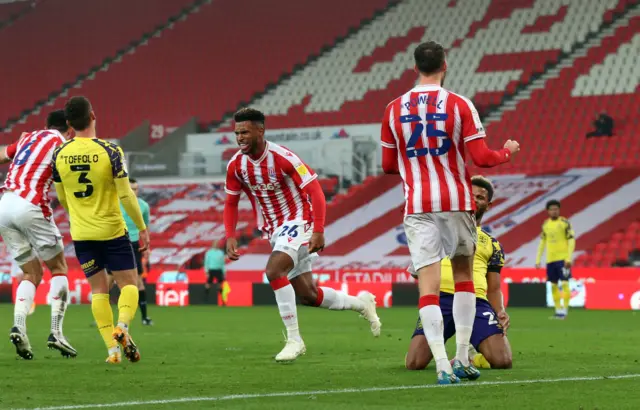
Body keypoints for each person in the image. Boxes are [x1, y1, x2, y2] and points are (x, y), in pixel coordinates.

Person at [380, 41, 520, 384]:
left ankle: (441, 365)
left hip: (417, 206)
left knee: (427, 286)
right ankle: (460, 357)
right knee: (462, 279)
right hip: (456, 202)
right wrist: (507, 152)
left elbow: (387, 165)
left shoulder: (393, 109)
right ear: (445, 64)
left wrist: (418, 168)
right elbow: (482, 158)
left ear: (414, 68)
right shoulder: (459, 105)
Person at [224, 108, 381, 362]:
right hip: (275, 230)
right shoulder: (236, 166)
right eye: (236, 133)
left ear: (260, 130)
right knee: (309, 294)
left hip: (299, 221)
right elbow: (231, 203)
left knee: (274, 271)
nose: (240, 137)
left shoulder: (283, 157)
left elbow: (316, 191)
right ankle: (362, 304)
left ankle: (294, 340)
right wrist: (230, 235)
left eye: (245, 131)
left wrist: (318, 229)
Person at [52, 96, 149, 364]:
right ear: (93, 116)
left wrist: (78, 217)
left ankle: (112, 351)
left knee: (98, 291)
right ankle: (123, 328)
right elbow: (127, 195)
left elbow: (62, 198)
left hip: (82, 233)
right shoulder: (110, 151)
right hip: (112, 230)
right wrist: (141, 228)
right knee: (128, 282)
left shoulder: (59, 154)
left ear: (69, 124)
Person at [406, 176, 512, 371]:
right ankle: (454, 350)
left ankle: (471, 354)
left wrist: (500, 312)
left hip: (477, 302)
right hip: (441, 301)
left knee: (503, 360)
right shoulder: (436, 232)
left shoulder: (492, 243)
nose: (475, 199)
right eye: (471, 195)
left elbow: (494, 287)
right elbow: (420, 272)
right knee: (414, 363)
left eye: (480, 197)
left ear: (488, 205)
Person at [0, 110, 77, 360]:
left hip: (5, 204)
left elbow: (2, 154)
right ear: (69, 128)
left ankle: (19, 326)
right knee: (59, 267)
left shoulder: (27, 138)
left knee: (31, 273)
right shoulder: (62, 144)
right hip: (30, 205)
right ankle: (56, 332)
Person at [106, 178, 153, 325]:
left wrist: (148, 246)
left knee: (137, 282)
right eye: (131, 188)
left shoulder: (144, 206)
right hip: (115, 242)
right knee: (108, 281)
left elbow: (145, 227)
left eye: (136, 189)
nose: (133, 191)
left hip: (133, 245)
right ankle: (103, 317)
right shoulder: (115, 202)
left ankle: (144, 317)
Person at [535, 200, 575, 319]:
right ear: (548, 211)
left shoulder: (564, 223)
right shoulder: (546, 224)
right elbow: (542, 242)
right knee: (553, 285)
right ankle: (558, 311)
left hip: (562, 259)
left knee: (565, 283)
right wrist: (538, 259)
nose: (554, 211)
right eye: (552, 209)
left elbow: (571, 240)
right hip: (550, 260)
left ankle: (565, 311)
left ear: (559, 210)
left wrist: (569, 257)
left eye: (556, 209)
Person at [203, 240, 229, 305]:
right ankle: (205, 298)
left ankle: (223, 300)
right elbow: (206, 263)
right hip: (211, 270)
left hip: (219, 270)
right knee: (208, 284)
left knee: (220, 285)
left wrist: (224, 272)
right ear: (212, 245)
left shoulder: (220, 253)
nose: (216, 245)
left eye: (217, 244)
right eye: (215, 244)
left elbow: (222, 263)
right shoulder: (209, 253)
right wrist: (206, 271)